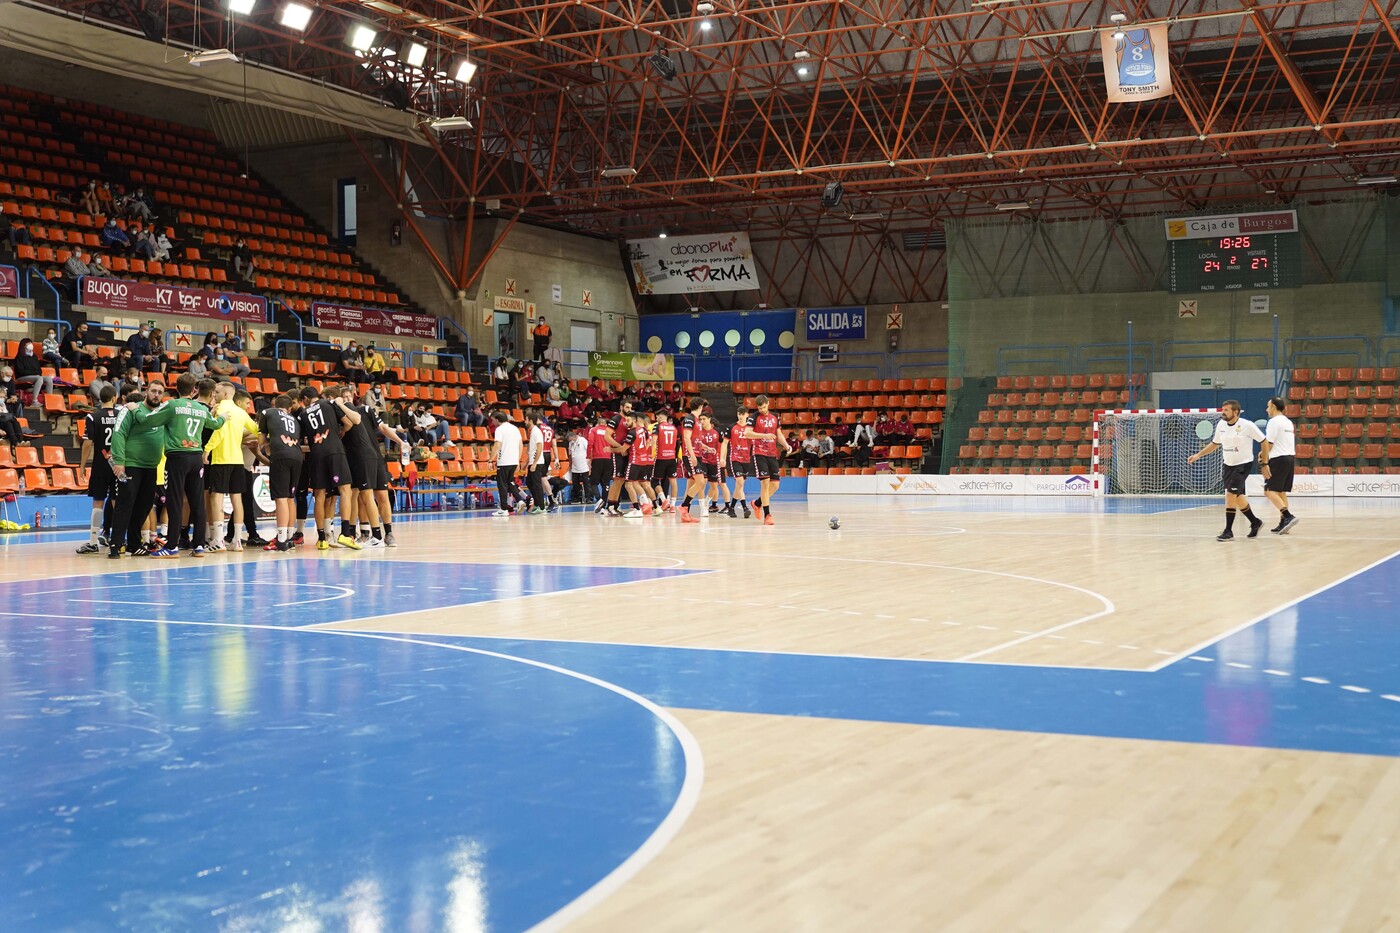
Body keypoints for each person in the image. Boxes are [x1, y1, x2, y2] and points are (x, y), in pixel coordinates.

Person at [137, 373, 225, 558]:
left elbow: (149, 420)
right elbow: (215, 425)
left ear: (176, 388)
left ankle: (172, 546)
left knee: (175, 502)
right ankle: (199, 545)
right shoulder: (201, 408)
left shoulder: (172, 405)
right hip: (196, 458)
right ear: (194, 390)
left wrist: (135, 410)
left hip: (177, 458)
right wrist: (223, 418)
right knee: (197, 502)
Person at [1187, 399, 1266, 541]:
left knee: (1230, 496)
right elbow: (1215, 443)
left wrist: (1265, 462)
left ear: (1235, 412)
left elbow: (1263, 441)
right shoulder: (1221, 425)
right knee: (1238, 497)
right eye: (1222, 410)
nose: (1223, 412)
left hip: (1243, 465)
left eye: (1226, 410)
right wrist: (1198, 455)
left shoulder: (1247, 425)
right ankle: (1255, 522)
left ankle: (1228, 531)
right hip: (1228, 465)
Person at [108, 381, 170, 558]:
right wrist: (119, 461)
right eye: (153, 391)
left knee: (144, 506)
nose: (156, 395)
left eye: (160, 392)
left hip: (151, 467)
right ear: (146, 392)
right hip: (131, 465)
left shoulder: (162, 413)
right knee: (125, 504)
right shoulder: (129, 410)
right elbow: (118, 433)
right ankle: (116, 544)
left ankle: (134, 544)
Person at [296, 385, 362, 551]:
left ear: (305, 399)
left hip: (316, 454)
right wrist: (340, 433)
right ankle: (345, 534)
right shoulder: (328, 404)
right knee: (345, 491)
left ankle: (321, 539)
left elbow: (303, 438)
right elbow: (349, 423)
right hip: (335, 451)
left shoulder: (303, 414)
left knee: (319, 495)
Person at [204, 384, 260, 552]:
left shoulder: (221, 408)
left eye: (217, 392)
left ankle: (218, 540)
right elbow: (257, 429)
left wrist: (207, 449)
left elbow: (219, 432)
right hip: (238, 460)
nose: (214, 394)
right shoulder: (241, 412)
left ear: (226, 394)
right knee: (237, 500)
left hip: (221, 459)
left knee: (216, 498)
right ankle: (236, 540)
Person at [76, 385, 123, 554]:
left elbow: (87, 443)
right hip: (119, 464)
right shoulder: (121, 415)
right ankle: (118, 542)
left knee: (98, 502)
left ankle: (93, 542)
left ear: (100, 399)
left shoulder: (92, 417)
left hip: (100, 465)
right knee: (117, 502)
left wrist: (82, 465)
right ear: (114, 398)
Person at [259, 394, 303, 551]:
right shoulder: (295, 420)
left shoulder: (268, 412)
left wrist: (267, 444)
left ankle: (281, 540)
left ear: (274, 404)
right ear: (289, 408)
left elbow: (261, 440)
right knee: (290, 498)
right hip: (297, 457)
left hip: (281, 456)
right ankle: (289, 537)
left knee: (281, 499)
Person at [744, 394, 790, 526]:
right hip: (759, 453)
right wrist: (764, 435)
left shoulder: (775, 416)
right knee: (765, 483)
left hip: (772, 453)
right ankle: (767, 515)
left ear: (768, 404)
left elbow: (778, 434)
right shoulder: (754, 417)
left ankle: (757, 503)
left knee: (775, 485)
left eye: (764, 407)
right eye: (760, 408)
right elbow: (747, 433)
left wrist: (786, 445)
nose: (762, 410)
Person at [1260, 396, 1300, 535]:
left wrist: (1263, 458)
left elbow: (1269, 444)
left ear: (1273, 407)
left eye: (1268, 406)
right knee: (1281, 491)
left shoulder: (1273, 422)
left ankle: (1288, 516)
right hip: (1289, 458)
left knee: (1269, 491)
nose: (1266, 409)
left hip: (1278, 459)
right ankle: (1283, 522)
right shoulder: (1288, 422)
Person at [489, 410, 523, 516]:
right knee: (510, 482)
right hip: (513, 461)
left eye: (493, 420)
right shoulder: (515, 428)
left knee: (502, 485)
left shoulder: (499, 429)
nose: (492, 422)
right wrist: (518, 460)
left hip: (504, 461)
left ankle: (503, 509)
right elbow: (520, 445)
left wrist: (491, 460)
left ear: (497, 419)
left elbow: (497, 445)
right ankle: (520, 500)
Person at [11, 338, 53, 414]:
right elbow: (21, 371)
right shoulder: (18, 358)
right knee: (39, 378)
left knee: (48, 379)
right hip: (21, 377)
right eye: (28, 344)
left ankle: (49, 400)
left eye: (31, 343)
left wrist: (34, 373)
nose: (30, 345)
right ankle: (34, 401)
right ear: (23, 346)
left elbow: (39, 371)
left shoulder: (34, 357)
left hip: (34, 376)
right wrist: (33, 373)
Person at [726, 415, 754, 518]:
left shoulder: (750, 428)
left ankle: (731, 508)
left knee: (739, 486)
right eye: (739, 413)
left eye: (743, 414)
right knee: (740, 482)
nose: (740, 415)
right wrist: (722, 458)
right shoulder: (732, 427)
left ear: (747, 415)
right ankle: (745, 507)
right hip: (735, 458)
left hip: (746, 459)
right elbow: (724, 443)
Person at [567, 429, 591, 504]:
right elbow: (570, 455)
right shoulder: (570, 443)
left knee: (586, 483)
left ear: (573, 436)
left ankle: (588, 498)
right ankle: (576, 499)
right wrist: (570, 465)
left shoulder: (582, 440)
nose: (570, 441)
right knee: (575, 483)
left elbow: (589, 451)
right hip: (575, 466)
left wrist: (590, 463)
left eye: (570, 439)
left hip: (584, 465)